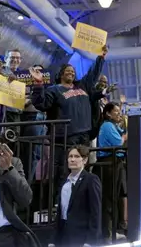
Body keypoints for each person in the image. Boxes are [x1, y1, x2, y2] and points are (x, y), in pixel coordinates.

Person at [29, 46, 108, 186]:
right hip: (65, 137)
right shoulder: (54, 90)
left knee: (82, 170)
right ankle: (60, 202)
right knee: (64, 171)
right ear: (61, 74)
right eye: (67, 71)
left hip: (84, 135)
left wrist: (100, 58)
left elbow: (93, 73)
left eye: (73, 71)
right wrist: (38, 83)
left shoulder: (82, 86)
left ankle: (78, 198)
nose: (71, 73)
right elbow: (41, 104)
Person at [50, 145, 102, 247]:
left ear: (85, 160)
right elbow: (61, 213)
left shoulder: (91, 180)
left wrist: (90, 242)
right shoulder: (65, 182)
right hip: (63, 236)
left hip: (81, 236)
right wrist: (53, 240)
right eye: (70, 156)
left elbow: (95, 212)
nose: (72, 159)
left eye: (77, 156)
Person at [96, 102, 128, 239]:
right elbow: (118, 142)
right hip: (108, 163)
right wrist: (125, 136)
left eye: (120, 110)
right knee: (108, 200)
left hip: (116, 163)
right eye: (116, 111)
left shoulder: (114, 125)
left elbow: (123, 133)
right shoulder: (107, 126)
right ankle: (107, 234)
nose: (119, 113)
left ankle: (114, 230)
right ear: (108, 113)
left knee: (117, 197)